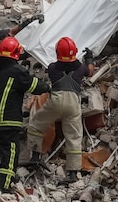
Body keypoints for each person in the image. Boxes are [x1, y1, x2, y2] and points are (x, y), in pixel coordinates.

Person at [26, 37, 94, 185]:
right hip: (73, 104)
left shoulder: (52, 68)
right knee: (74, 136)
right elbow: (89, 71)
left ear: (57, 52)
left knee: (37, 123)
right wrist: (89, 59)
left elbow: (57, 67)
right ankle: (72, 173)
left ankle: (35, 157)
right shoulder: (81, 68)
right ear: (75, 52)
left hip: (55, 101)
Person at [0, 35, 49, 193]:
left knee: (6, 148)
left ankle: (9, 175)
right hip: (8, 118)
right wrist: (48, 86)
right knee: (12, 151)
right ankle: (4, 184)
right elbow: (34, 86)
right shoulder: (17, 71)